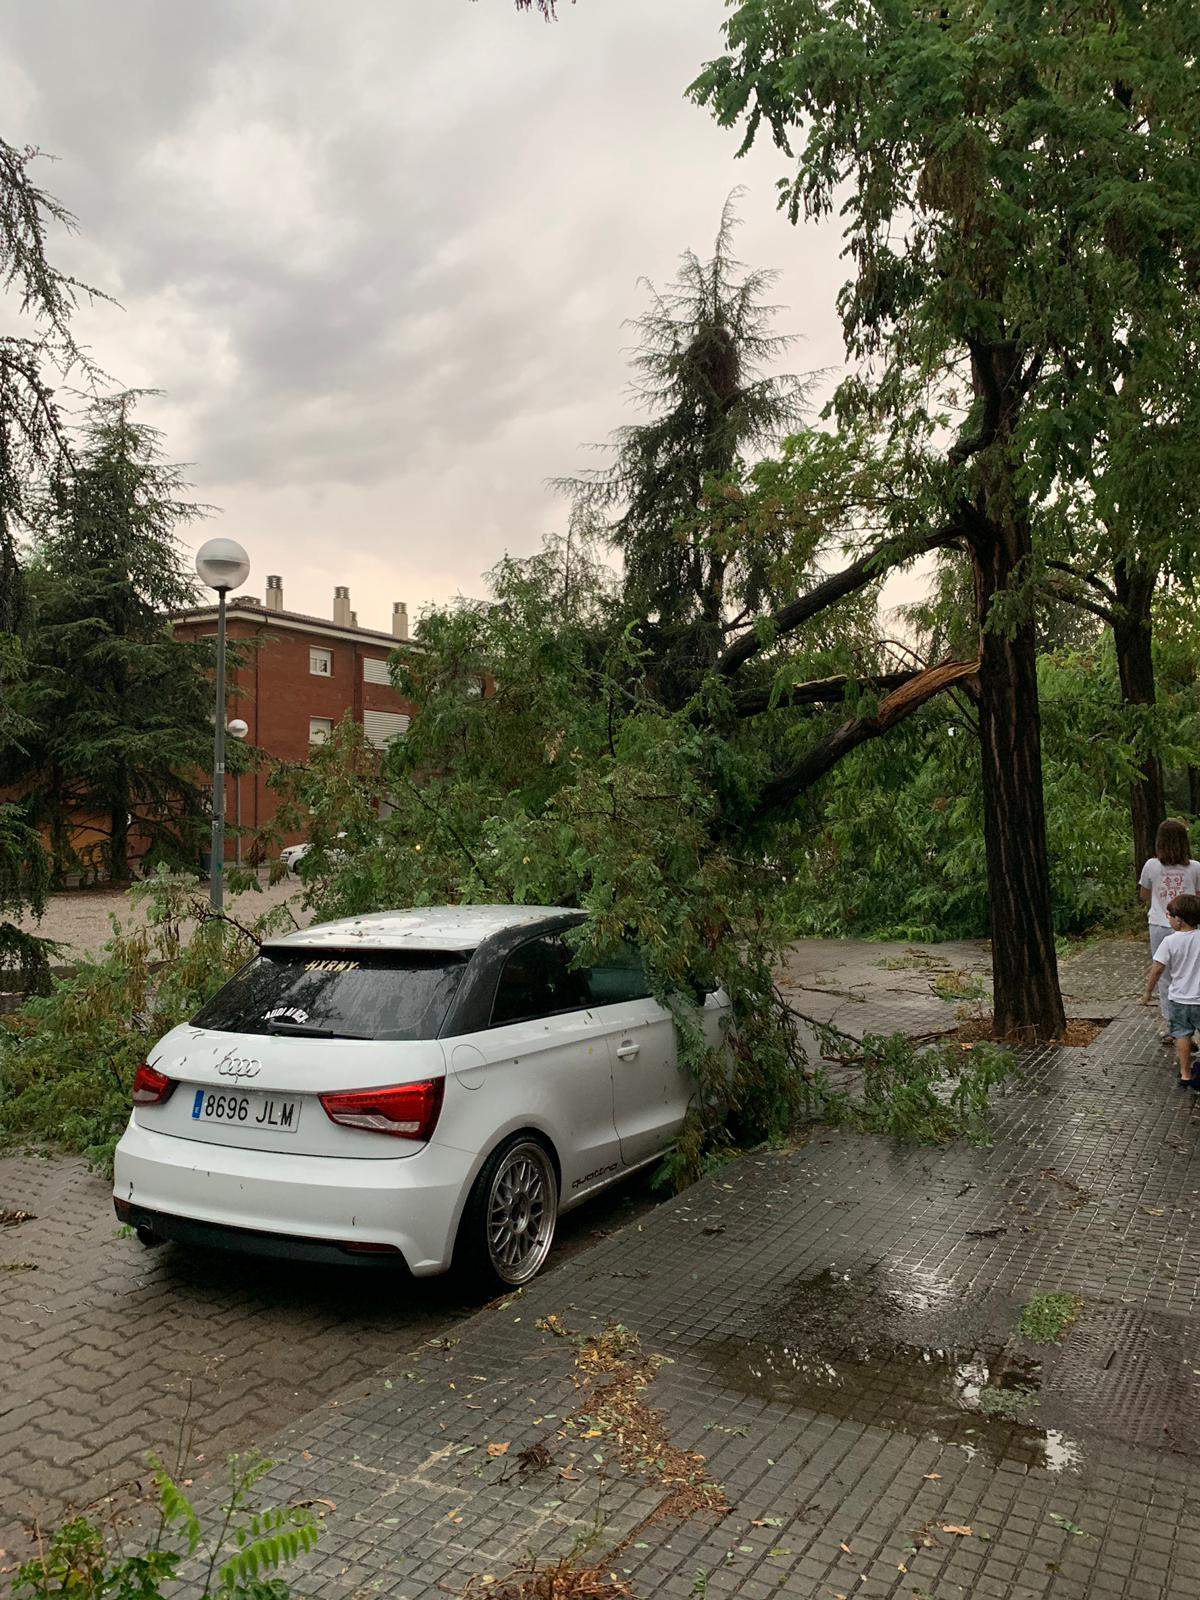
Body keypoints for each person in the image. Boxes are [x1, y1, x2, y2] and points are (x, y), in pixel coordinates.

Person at [1139, 819, 1200, 1044]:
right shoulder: (1195, 867)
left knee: (1164, 976)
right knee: (1191, 973)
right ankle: (1191, 1027)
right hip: (1190, 927)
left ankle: (1172, 1026)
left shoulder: (1151, 866)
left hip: (1159, 924)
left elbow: (1144, 895)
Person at [1143, 894, 1200, 1085]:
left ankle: (1185, 1074)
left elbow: (1156, 970)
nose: (1168, 917)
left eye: (1170, 914)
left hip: (1179, 999)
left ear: (1179, 919)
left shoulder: (1169, 942)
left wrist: (1148, 993)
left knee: (1182, 1035)